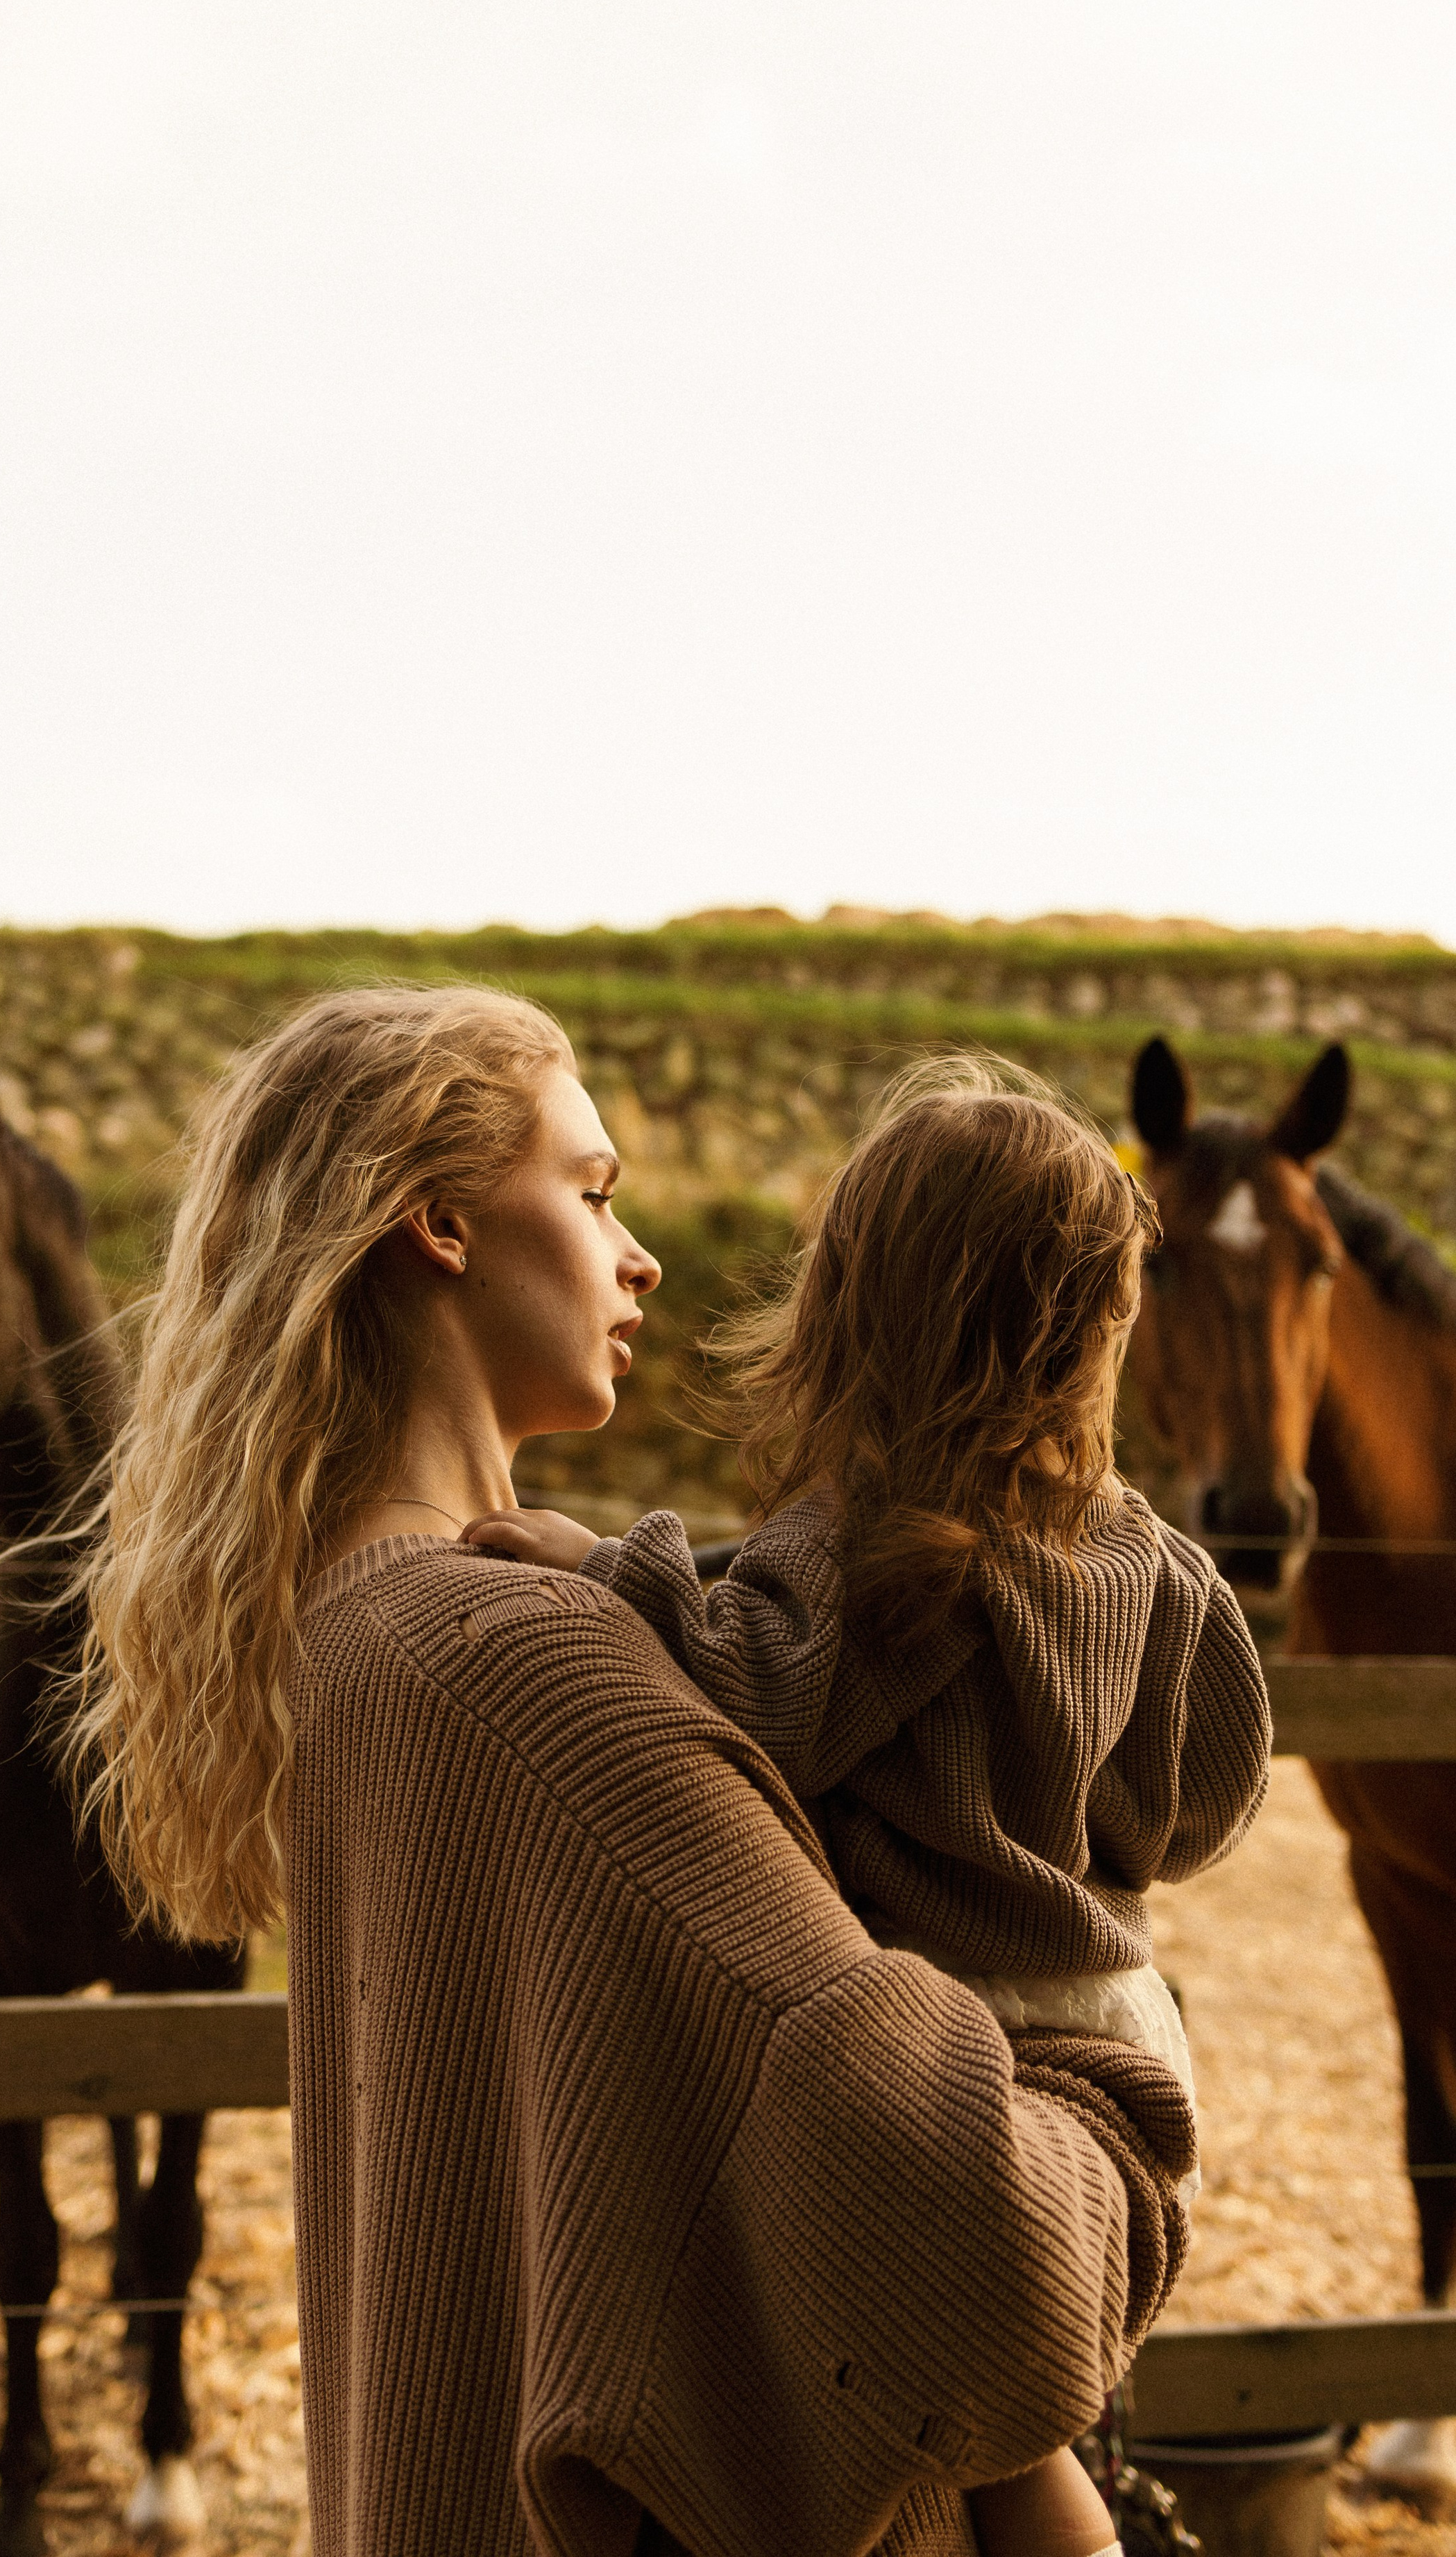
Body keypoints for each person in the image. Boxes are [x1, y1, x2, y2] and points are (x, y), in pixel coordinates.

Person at [73, 990, 1199, 2557]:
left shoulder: (362, 1634)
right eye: (592, 1193)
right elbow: (991, 2271)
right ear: (439, 1221)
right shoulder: (531, 1674)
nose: (642, 1254)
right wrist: (1126, 2110)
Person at [468, 1056, 1272, 2557]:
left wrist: (605, 1569)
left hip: (951, 2031)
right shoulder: (1149, 1560)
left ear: (849, 1309)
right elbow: (1213, 1785)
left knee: (964, 2421)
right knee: (1023, 2413)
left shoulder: (851, 1556)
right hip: (1117, 2011)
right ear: (1097, 1328)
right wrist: (1094, 1838)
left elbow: (741, 1693)